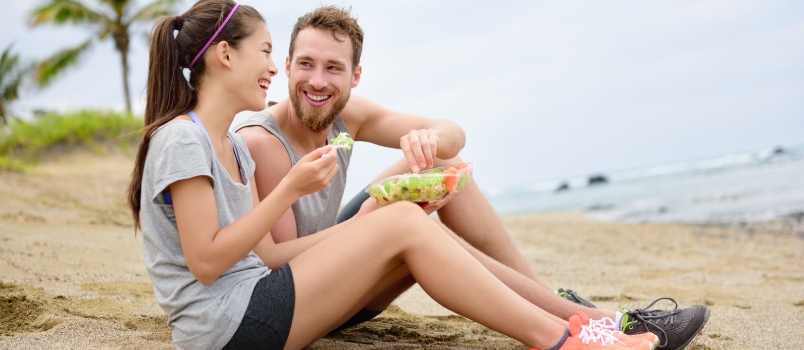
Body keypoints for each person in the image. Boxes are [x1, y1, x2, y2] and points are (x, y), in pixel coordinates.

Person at [126, 1, 660, 349]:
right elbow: (206, 261)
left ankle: (570, 321)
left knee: (411, 208)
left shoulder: (223, 146)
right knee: (401, 222)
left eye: (332, 67)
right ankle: (564, 338)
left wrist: (403, 178)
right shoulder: (187, 140)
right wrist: (293, 191)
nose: (271, 68)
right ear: (225, 56)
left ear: (355, 76)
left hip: (254, 307)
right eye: (268, 54)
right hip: (226, 329)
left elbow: (258, 256)